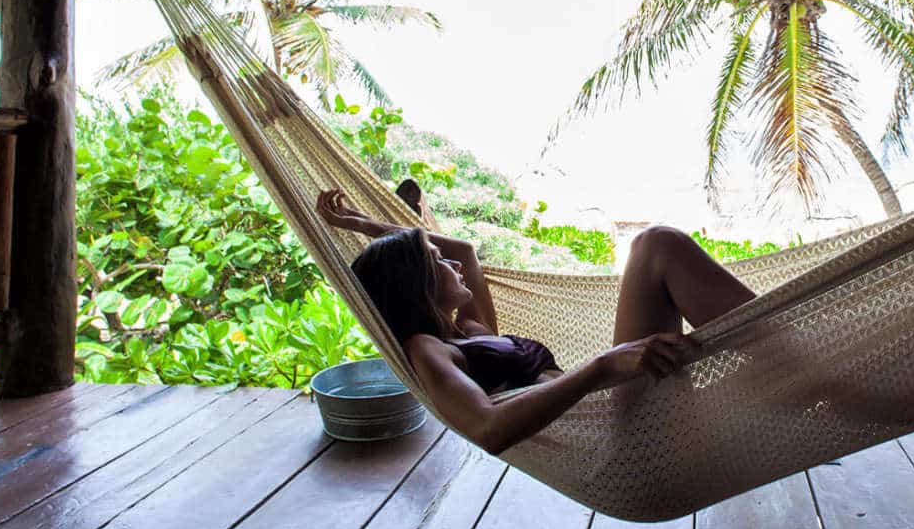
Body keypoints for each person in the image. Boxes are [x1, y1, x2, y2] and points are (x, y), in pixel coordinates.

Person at [316, 188, 757, 454]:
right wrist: (602, 366)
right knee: (655, 246)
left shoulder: (471, 332)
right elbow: (486, 428)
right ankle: (799, 354)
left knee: (658, 246)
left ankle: (796, 360)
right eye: (435, 260)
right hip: (611, 436)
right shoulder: (426, 348)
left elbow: (467, 251)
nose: (449, 260)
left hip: (617, 413)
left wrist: (360, 222)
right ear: (418, 283)